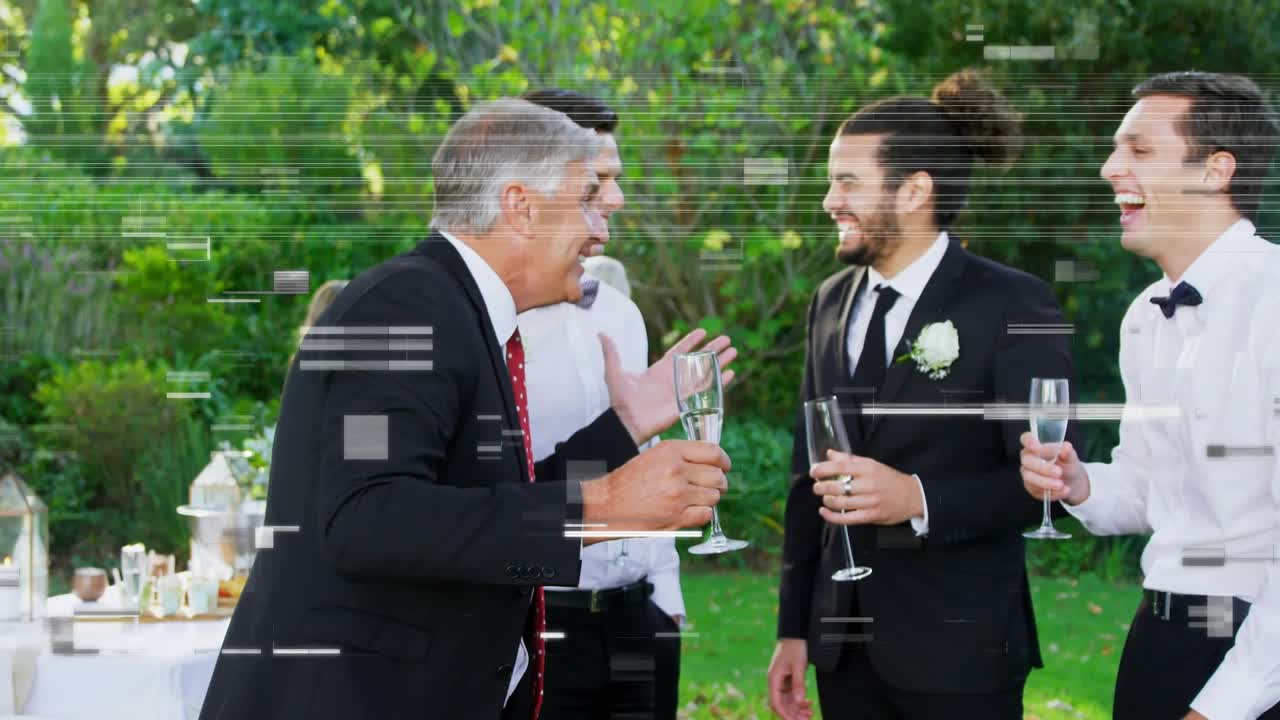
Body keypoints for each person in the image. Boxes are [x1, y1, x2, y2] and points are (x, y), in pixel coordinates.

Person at [199, 98, 736, 720]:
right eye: (588, 197)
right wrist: (604, 506)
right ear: (521, 206)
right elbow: (369, 519)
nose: (605, 222)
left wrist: (624, 428)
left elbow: (481, 503)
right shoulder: (403, 309)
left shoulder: (461, 313)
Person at [767, 69, 1077, 720]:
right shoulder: (829, 302)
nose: (830, 200)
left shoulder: (1014, 304)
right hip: (841, 650)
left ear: (914, 191)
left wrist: (916, 498)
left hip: (962, 651)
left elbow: (1045, 486)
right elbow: (807, 478)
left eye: (848, 182)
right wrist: (793, 629)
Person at [1019, 71, 1280, 720]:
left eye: (1138, 150)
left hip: (1260, 653)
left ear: (1215, 172)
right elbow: (1144, 489)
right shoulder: (1143, 315)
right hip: (1160, 634)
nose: (1110, 169)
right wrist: (1079, 484)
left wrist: (1225, 704)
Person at [521, 82, 690, 720]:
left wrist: (666, 602)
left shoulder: (622, 314)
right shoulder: (485, 327)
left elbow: (643, 458)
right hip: (538, 629)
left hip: (639, 625)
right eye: (598, 181)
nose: (617, 199)